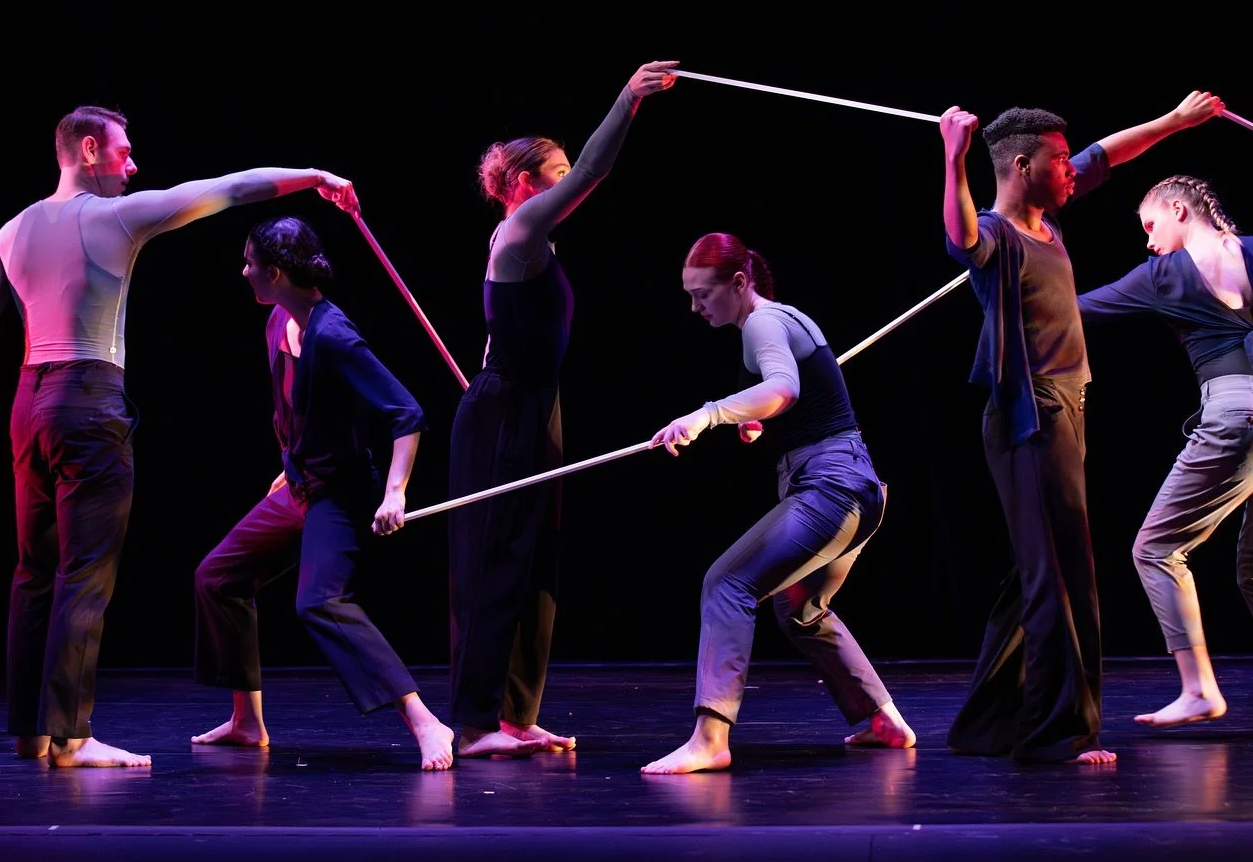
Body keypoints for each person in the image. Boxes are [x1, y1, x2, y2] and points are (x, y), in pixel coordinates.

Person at [0, 105, 360, 768]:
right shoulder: (117, 217)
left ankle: (31, 732)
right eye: (124, 152)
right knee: (84, 574)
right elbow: (230, 188)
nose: (134, 165)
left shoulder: (12, 229)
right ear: (89, 150)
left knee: (33, 571)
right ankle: (74, 735)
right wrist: (313, 176)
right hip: (87, 401)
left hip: (29, 405)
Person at [940, 90, 1222, 764]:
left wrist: (1176, 122)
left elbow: (1109, 155)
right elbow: (960, 237)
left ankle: (986, 723)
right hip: (1029, 412)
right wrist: (953, 155)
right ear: (1020, 165)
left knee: (1032, 573)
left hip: (1067, 406)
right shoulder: (1000, 233)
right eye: (1059, 160)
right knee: (1059, 575)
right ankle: (1056, 732)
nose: (1072, 169)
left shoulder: (1046, 223)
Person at [448, 61, 677, 758]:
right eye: (556, 170)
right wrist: (628, 100)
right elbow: (594, 176)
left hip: (535, 406)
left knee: (536, 563)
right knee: (496, 559)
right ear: (523, 184)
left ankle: (518, 714)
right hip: (503, 412)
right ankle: (480, 721)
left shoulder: (534, 242)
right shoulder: (517, 233)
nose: (567, 179)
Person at [640, 233, 914, 774]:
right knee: (802, 611)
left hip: (830, 490)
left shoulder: (763, 322)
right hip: (859, 488)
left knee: (727, 583)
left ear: (740, 283)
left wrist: (707, 415)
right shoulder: (788, 317)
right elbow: (797, 399)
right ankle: (882, 720)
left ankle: (711, 739)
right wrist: (758, 420)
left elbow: (783, 388)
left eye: (703, 294)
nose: (695, 308)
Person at [191, 216, 454, 770]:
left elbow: (407, 414)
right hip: (301, 486)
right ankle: (247, 721)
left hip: (341, 495)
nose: (244, 272)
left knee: (319, 600)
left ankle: (427, 722)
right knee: (218, 577)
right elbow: (299, 412)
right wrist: (291, 463)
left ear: (278, 272)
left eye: (251, 263)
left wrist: (395, 493)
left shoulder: (333, 335)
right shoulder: (277, 323)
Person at [1079, 175, 1250, 728]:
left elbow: (1073, 310)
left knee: (1155, 548)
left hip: (1234, 414)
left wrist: (1012, 269)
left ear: (1179, 209)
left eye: (1152, 225)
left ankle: (1199, 688)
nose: (1149, 241)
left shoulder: (1165, 275)